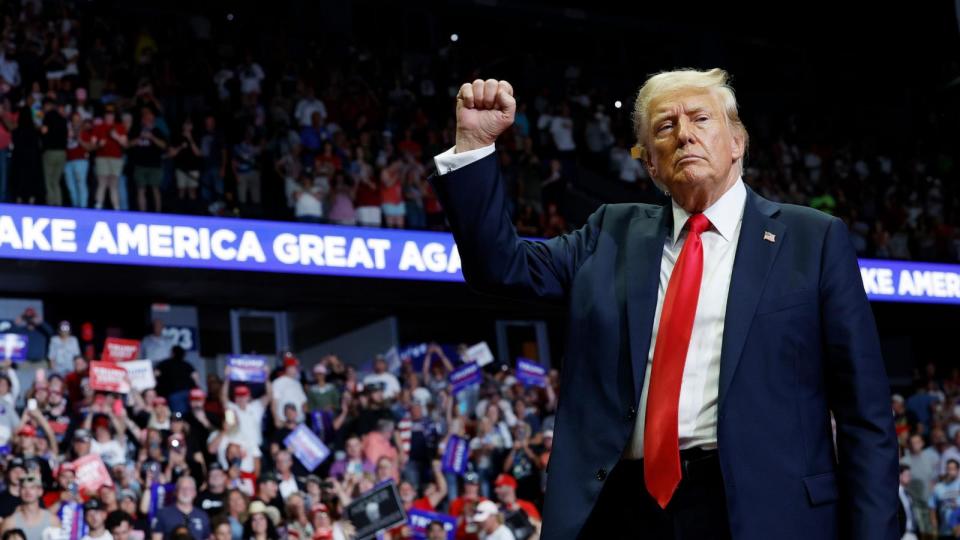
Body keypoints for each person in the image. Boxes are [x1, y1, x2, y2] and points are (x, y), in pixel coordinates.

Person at [428, 70, 898, 539]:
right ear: (651, 163)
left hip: (759, 510)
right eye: (664, 127)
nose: (684, 134)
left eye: (700, 118)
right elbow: (501, 268)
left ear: (737, 142)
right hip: (623, 511)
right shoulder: (609, 233)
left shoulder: (811, 240)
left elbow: (864, 414)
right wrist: (473, 145)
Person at [0, 475, 60, 540]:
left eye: (32, 487)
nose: (28, 491)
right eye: (23, 487)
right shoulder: (9, 523)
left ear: (40, 491)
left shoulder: (53, 521)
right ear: (19, 491)